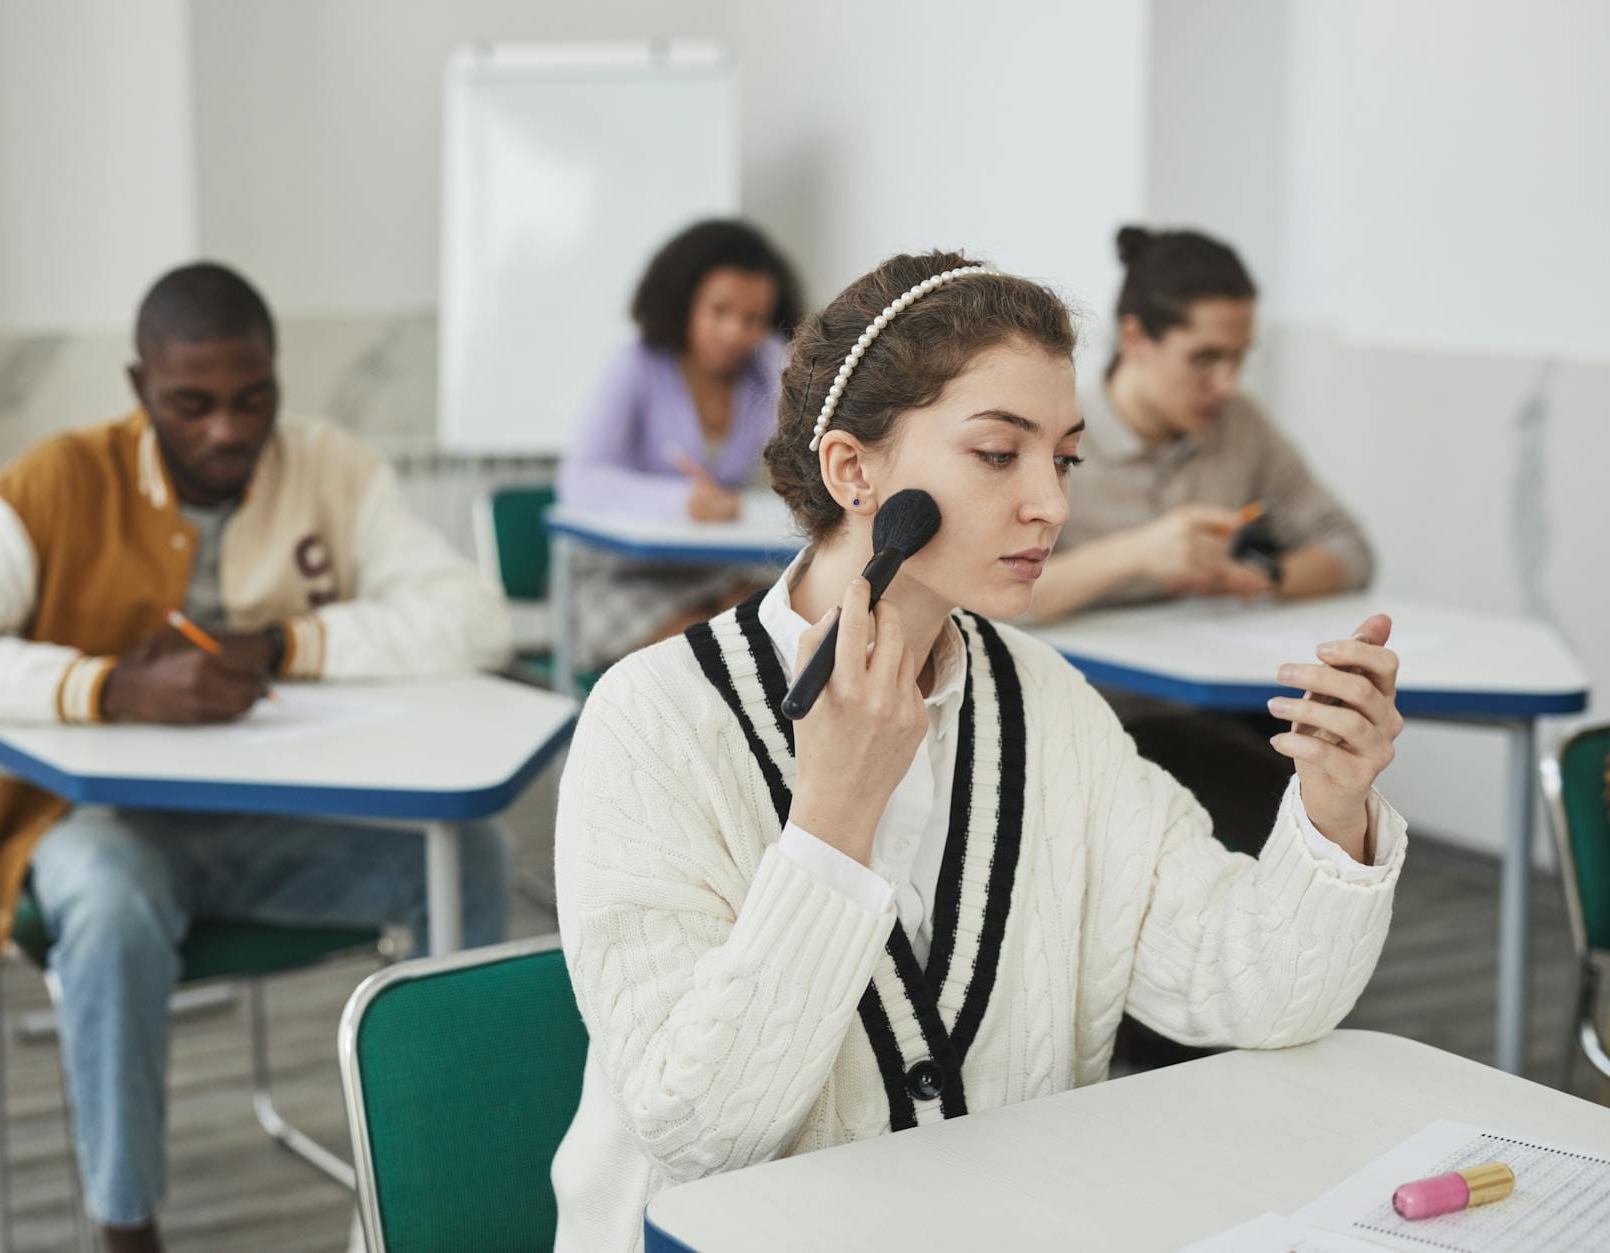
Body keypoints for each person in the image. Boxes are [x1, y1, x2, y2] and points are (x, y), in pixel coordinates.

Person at [549, 251, 1408, 1253]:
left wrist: (1330, 804)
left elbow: (1252, 985)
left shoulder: (1044, 701)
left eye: (1065, 458)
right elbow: (699, 1129)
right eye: (999, 454)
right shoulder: (649, 721)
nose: (1050, 501)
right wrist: (830, 821)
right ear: (851, 470)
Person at [0, 262, 513, 1253]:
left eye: (252, 399)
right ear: (139, 390)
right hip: (102, 832)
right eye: (192, 404)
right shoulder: (57, 483)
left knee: (469, 859)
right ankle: (125, 1225)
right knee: (114, 899)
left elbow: (475, 617)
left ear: (277, 379)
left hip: (288, 827)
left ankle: (424, 1208)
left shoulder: (331, 467)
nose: (227, 429)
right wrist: (108, 684)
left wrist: (292, 645)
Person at [1034, 226, 1378, 852]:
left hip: (1209, 711)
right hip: (1084, 719)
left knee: (1324, 800)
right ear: (1136, 337)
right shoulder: (1059, 438)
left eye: (1240, 358)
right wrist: (1139, 552)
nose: (1227, 382)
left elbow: (1348, 547)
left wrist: (1269, 577)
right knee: (1280, 817)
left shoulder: (1239, 428)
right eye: (1205, 359)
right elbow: (988, 597)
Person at [556, 218, 803, 669]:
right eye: (719, 311)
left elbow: (804, 428)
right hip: (622, 578)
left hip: (710, 569)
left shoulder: (759, 374)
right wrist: (682, 502)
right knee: (708, 651)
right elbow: (580, 480)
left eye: (753, 320)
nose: (735, 332)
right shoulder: (636, 365)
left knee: (778, 616)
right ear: (684, 301)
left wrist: (783, 353)